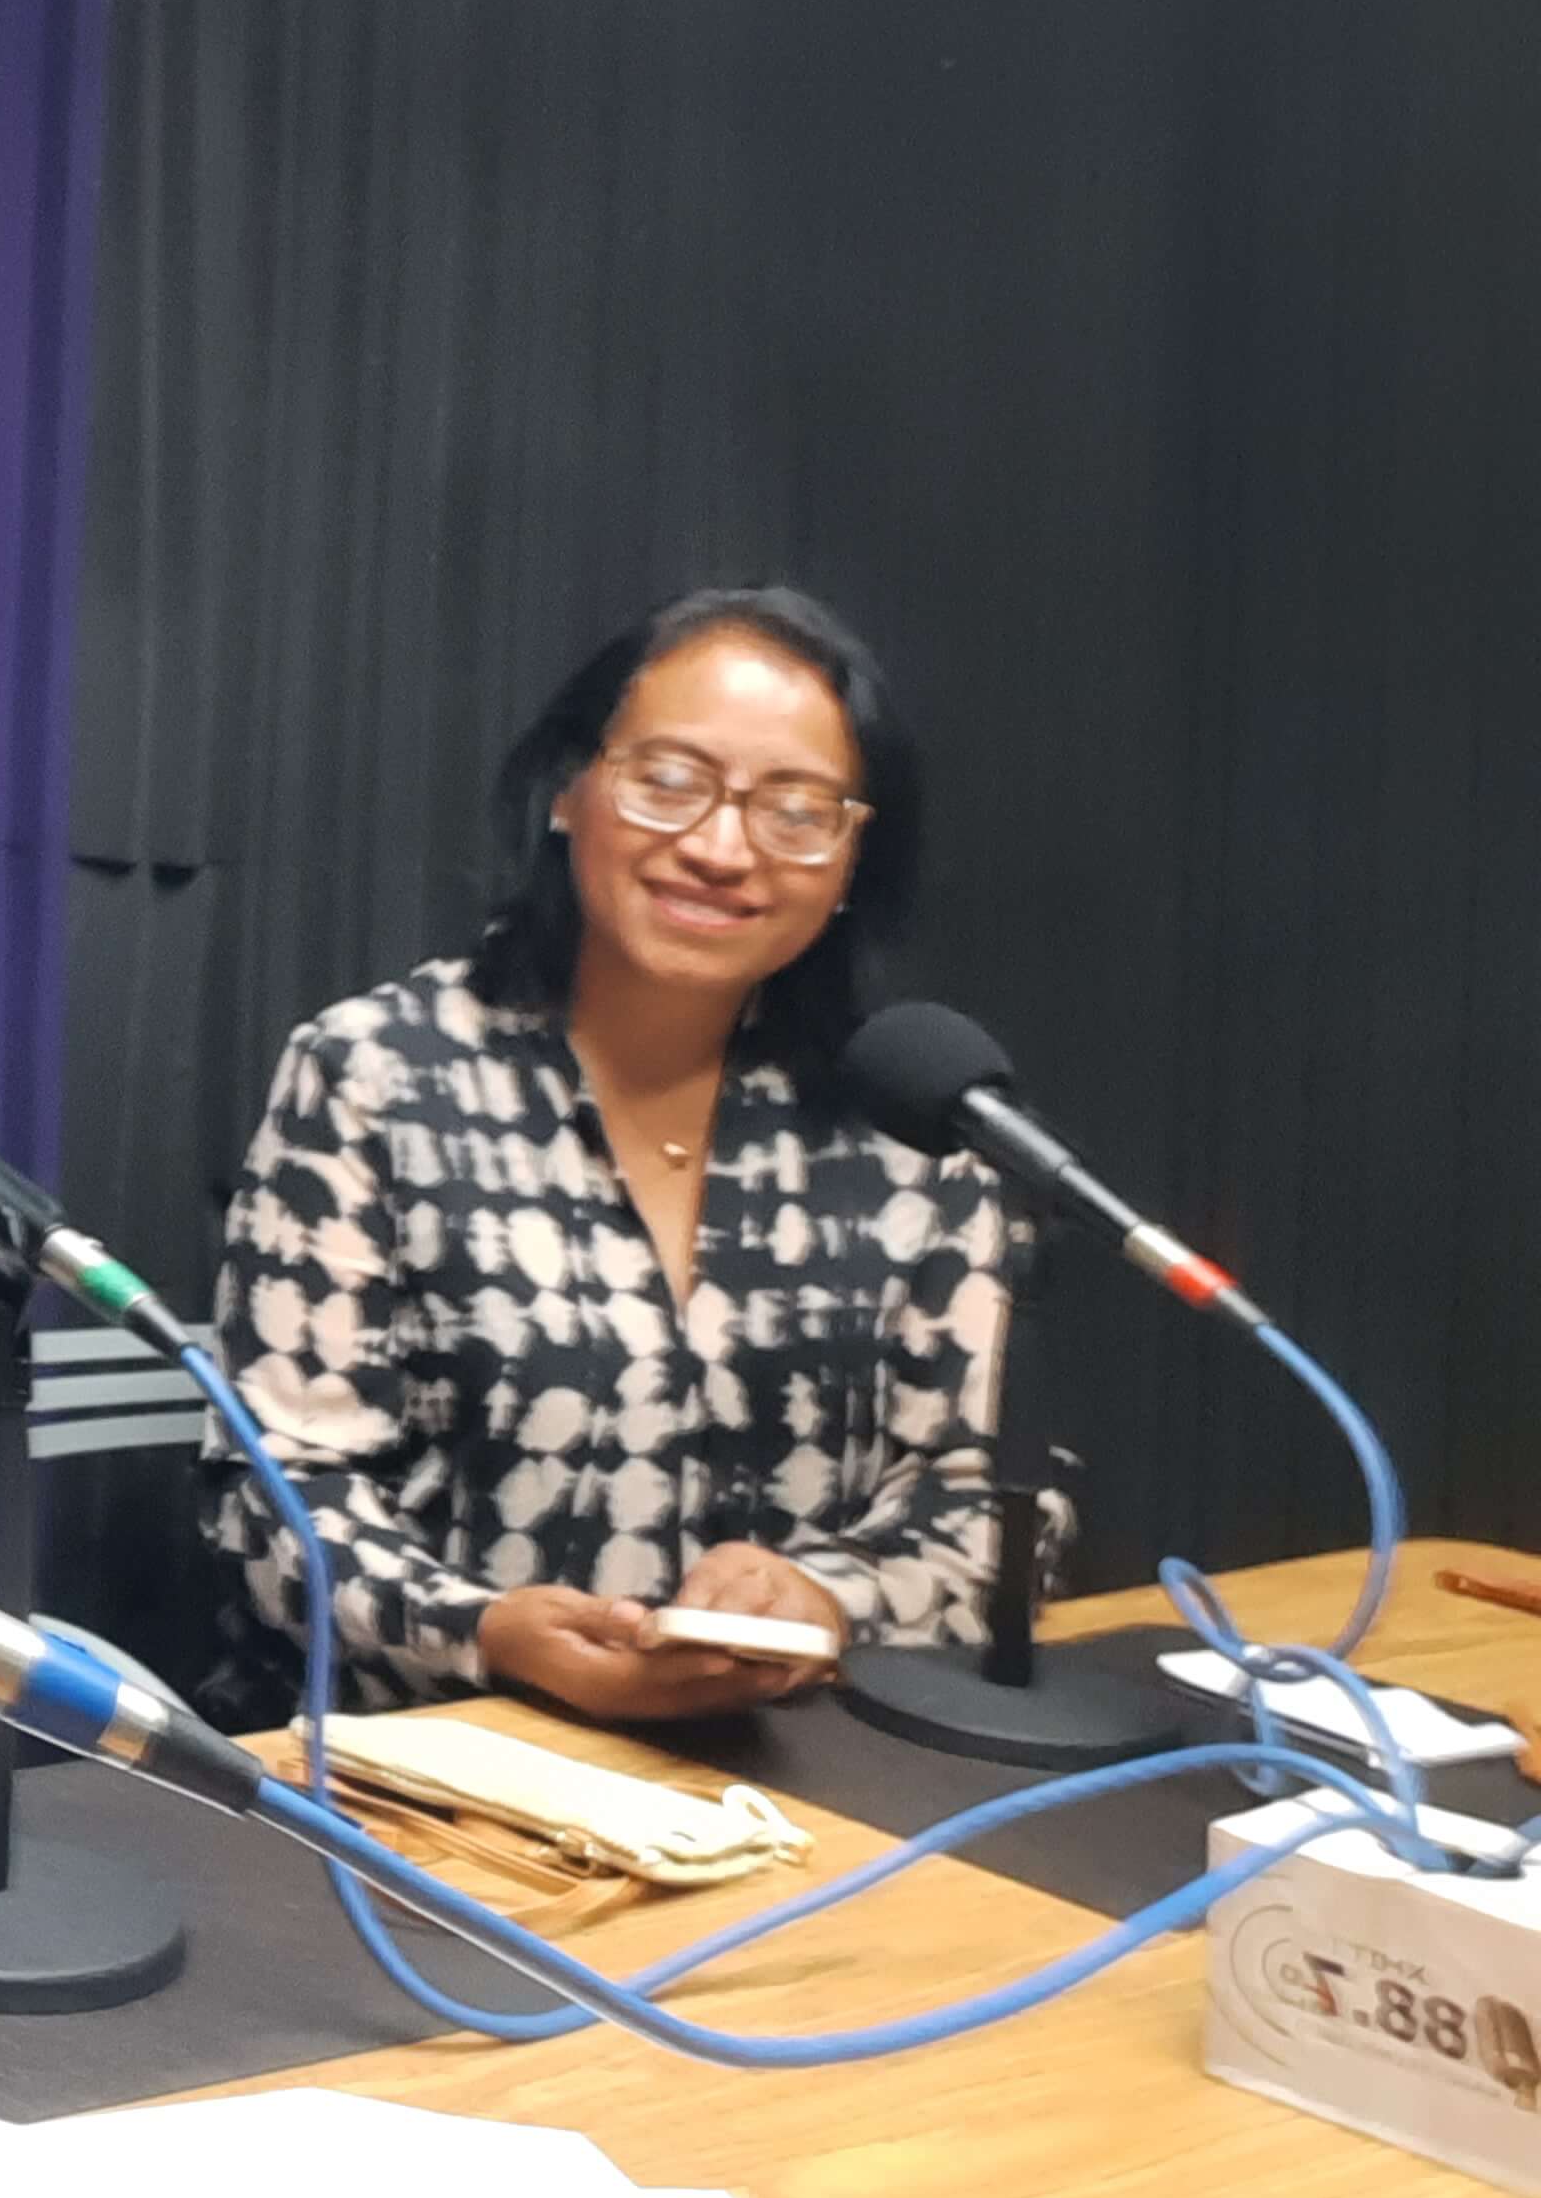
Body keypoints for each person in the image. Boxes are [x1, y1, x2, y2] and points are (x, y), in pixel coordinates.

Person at [193, 584, 1039, 1731]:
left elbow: (980, 1501)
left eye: (796, 809)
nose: (724, 847)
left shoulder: (912, 1117)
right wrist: (486, 1634)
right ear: (567, 790)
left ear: (850, 860)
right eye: (671, 782)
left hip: (802, 1778)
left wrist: (826, 1601)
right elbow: (274, 1495)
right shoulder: (378, 1075)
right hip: (432, 1774)